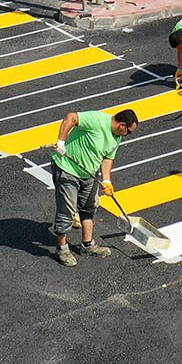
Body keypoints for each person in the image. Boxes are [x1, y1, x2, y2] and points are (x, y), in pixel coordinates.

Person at [50, 107, 139, 267]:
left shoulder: (117, 137)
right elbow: (71, 117)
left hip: (88, 174)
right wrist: (61, 141)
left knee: (89, 207)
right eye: (129, 132)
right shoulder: (98, 120)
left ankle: (87, 245)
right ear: (122, 125)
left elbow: (107, 158)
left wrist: (107, 181)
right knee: (67, 211)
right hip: (67, 168)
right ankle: (62, 249)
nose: (128, 135)